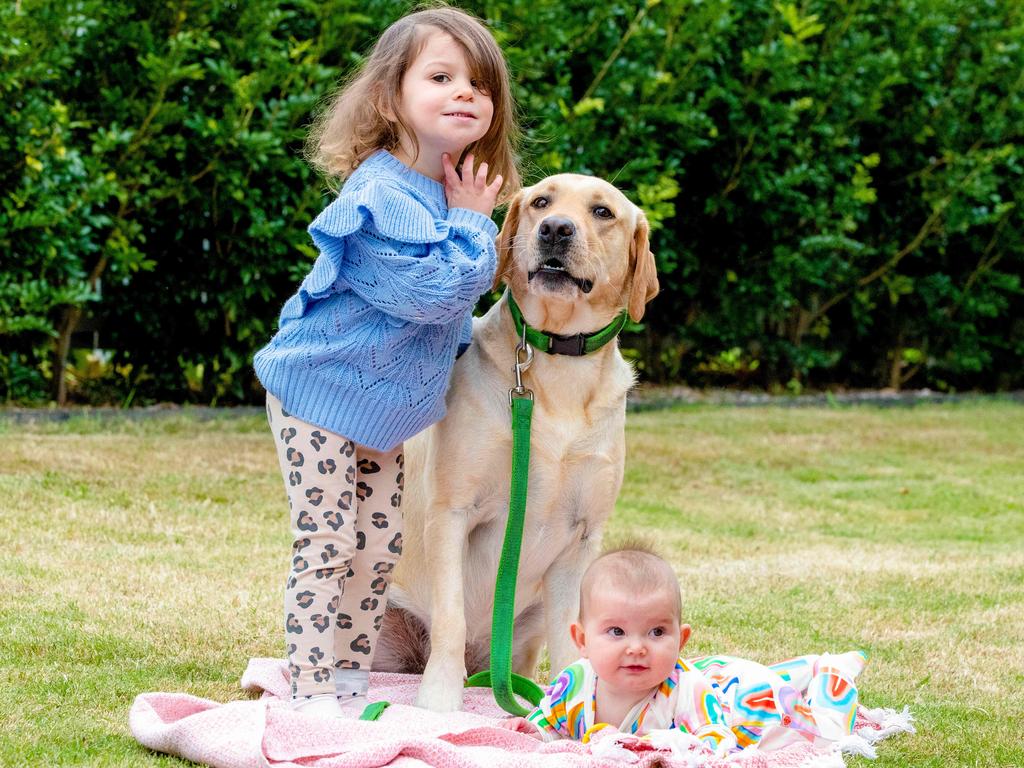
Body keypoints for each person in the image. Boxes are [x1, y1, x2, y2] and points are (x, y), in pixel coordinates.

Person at [253, 4, 519, 718]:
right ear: (387, 99)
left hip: (382, 411)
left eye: (480, 83)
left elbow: (457, 319)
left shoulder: (448, 196)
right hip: (316, 391)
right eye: (441, 76)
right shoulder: (381, 195)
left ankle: (347, 681)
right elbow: (432, 295)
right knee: (330, 538)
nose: (466, 92)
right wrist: (471, 223)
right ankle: (308, 692)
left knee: (378, 549)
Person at [526, 546, 867, 756]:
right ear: (581, 640)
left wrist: (652, 748)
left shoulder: (688, 691)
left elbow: (716, 742)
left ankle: (833, 672)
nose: (636, 647)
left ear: (681, 640)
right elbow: (551, 717)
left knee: (825, 734)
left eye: (656, 632)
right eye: (616, 632)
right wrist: (531, 728)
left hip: (750, 704)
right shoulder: (574, 682)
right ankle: (804, 666)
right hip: (718, 677)